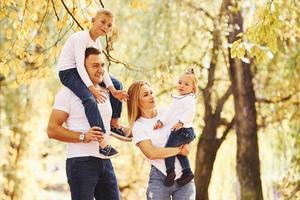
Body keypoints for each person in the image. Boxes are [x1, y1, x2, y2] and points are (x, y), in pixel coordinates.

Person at [47, 47, 120, 200]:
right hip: (81, 162)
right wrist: (83, 136)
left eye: (102, 65)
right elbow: (52, 130)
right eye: (95, 66)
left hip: (105, 162)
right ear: (81, 67)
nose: (100, 70)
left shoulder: (106, 92)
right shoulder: (67, 93)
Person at [57, 9, 130, 157]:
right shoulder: (81, 38)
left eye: (109, 25)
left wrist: (113, 90)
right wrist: (92, 89)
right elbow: (79, 65)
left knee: (117, 84)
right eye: (102, 22)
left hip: (85, 70)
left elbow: (103, 71)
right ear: (93, 20)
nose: (105, 27)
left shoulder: (97, 44)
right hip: (69, 72)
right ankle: (102, 143)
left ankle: (113, 124)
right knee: (89, 99)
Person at [127, 80, 196, 200]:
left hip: (184, 176)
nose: (151, 96)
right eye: (145, 95)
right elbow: (152, 153)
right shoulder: (138, 126)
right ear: (136, 102)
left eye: (151, 92)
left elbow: (187, 131)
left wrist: (187, 145)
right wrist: (179, 150)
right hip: (160, 177)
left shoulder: (167, 113)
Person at [153, 69, 197, 186]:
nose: (182, 85)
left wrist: (181, 122)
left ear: (193, 88)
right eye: (180, 82)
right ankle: (187, 172)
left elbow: (191, 113)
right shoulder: (179, 98)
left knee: (169, 149)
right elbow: (170, 111)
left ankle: (170, 172)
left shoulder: (189, 99)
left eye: (186, 84)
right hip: (185, 131)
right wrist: (161, 121)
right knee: (179, 152)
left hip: (183, 130)